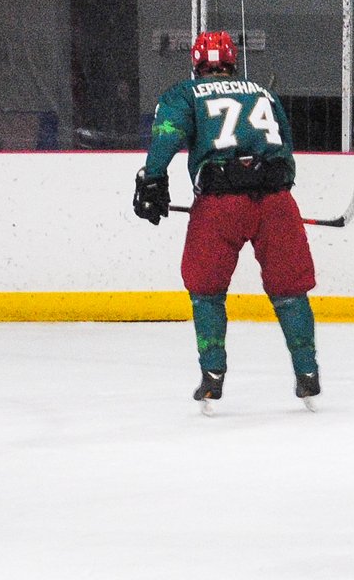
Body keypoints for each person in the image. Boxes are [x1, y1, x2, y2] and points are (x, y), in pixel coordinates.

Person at [133, 30, 322, 414]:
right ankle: (307, 372)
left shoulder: (184, 93)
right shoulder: (263, 92)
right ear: (233, 61)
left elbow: (167, 136)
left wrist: (152, 179)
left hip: (219, 205)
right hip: (276, 201)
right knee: (290, 290)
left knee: (206, 290)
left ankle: (212, 375)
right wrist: (271, 190)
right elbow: (285, 145)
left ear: (196, 63)